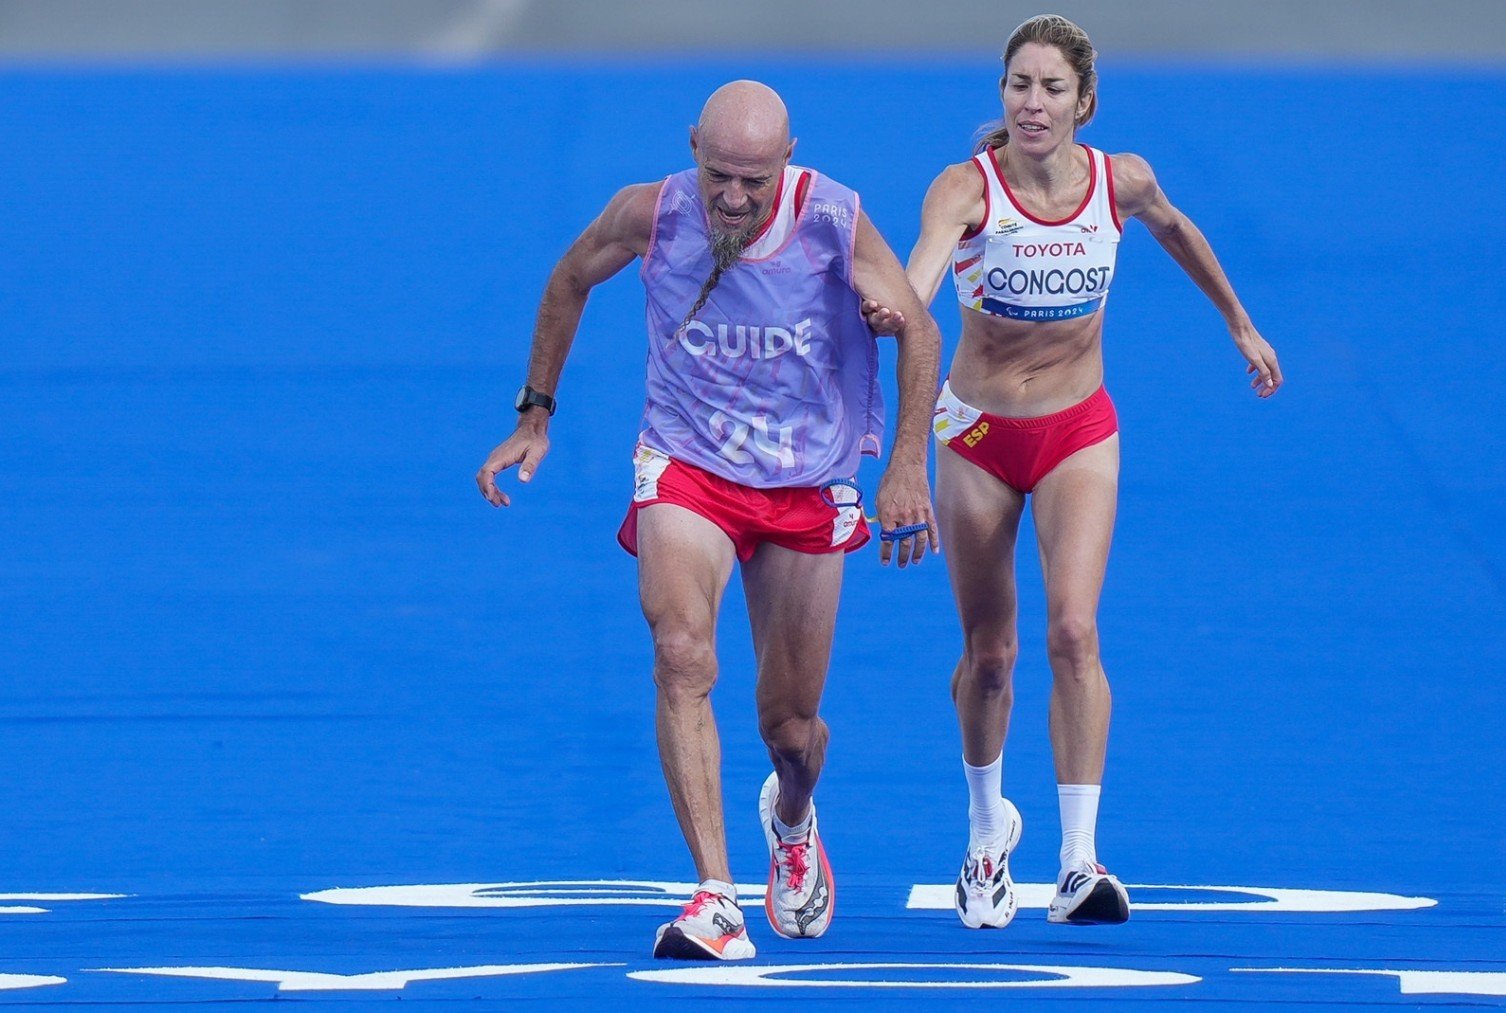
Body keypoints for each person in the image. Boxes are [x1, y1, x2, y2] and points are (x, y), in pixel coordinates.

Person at [476, 80, 941, 961]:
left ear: (787, 162)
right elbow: (570, 276)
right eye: (719, 174)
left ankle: (793, 816)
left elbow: (918, 332)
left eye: (753, 182)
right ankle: (715, 896)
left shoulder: (834, 219)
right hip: (687, 462)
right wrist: (535, 411)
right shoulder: (651, 213)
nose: (732, 198)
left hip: (806, 477)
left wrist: (908, 464)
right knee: (681, 653)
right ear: (693, 148)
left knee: (791, 728)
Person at [866, 14, 1282, 929]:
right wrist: (889, 309)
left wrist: (1239, 324)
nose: (1033, 103)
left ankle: (1081, 860)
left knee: (1075, 631)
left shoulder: (1118, 180)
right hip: (977, 436)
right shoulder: (965, 189)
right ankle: (986, 836)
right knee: (990, 653)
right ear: (1002, 94)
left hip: (1078, 431)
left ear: (1085, 103)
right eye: (1019, 84)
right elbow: (918, 283)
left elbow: (1179, 232)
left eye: (1053, 88)